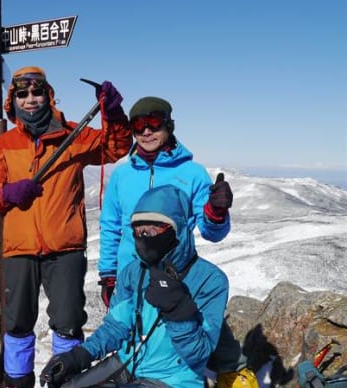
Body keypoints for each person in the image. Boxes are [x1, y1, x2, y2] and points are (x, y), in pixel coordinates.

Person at [0, 66, 133, 387]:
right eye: (22, 94)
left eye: (36, 92)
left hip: (65, 249)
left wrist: (114, 113)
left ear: (48, 95)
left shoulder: (72, 136)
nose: (30, 99)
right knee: (18, 325)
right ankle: (18, 383)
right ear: (14, 100)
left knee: (67, 323)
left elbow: (116, 146)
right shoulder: (5, 144)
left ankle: (66, 382)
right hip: (19, 250)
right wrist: (9, 192)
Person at [96, 97, 245, 383]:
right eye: (138, 125)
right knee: (131, 341)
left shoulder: (192, 174)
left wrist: (216, 212)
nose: (146, 132)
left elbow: (213, 233)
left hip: (177, 280)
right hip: (132, 277)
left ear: (168, 125)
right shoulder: (122, 174)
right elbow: (111, 226)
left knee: (178, 346)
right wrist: (108, 274)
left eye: (153, 123)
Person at [39, 184, 230, 388]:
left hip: (173, 380)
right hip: (126, 363)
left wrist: (179, 312)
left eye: (151, 230)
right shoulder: (134, 272)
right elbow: (115, 327)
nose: (143, 237)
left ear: (177, 229)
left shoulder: (211, 280)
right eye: (138, 231)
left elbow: (199, 354)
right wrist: (77, 357)